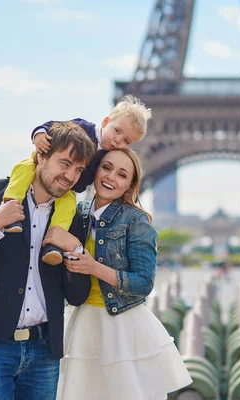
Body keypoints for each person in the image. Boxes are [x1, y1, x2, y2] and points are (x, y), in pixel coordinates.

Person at [0, 121, 96, 400]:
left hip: (43, 351)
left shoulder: (71, 217)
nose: (70, 176)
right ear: (41, 156)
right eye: (64, 163)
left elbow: (77, 295)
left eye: (78, 170)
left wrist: (75, 248)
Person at [43, 148, 192, 400]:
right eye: (107, 167)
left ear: (129, 186)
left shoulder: (136, 221)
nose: (111, 177)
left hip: (121, 325)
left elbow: (144, 283)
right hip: (83, 323)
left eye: (122, 175)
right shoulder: (76, 213)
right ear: (96, 169)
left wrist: (93, 267)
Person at [1, 95, 152, 266]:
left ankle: (53, 243)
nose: (118, 140)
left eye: (126, 141)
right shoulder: (84, 127)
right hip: (37, 164)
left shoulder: (108, 157)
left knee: (67, 207)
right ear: (105, 122)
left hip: (67, 189)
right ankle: (11, 206)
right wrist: (39, 134)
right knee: (24, 169)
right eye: (117, 131)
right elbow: (53, 126)